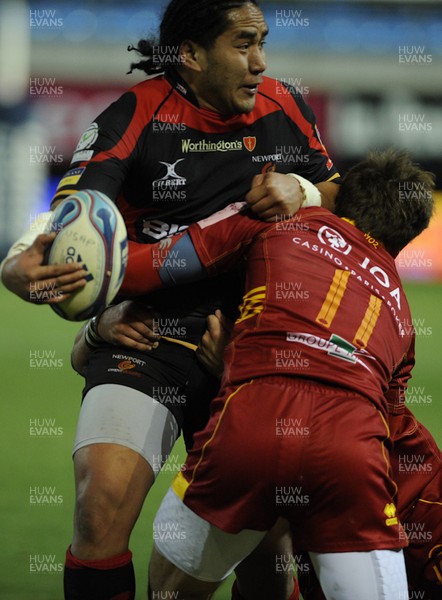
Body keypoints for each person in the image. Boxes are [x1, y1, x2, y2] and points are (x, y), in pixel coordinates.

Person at [0, 1, 341, 598]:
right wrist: (19, 261)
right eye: (242, 43)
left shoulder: (284, 105)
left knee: (272, 545)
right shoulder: (135, 113)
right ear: (190, 54)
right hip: (149, 335)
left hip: (253, 345)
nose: (260, 61)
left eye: (262, 42)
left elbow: (340, 193)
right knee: (99, 501)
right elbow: (76, 213)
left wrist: (304, 187)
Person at [102, 148, 436, 599]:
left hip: (252, 421)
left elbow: (147, 269)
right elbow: (390, 428)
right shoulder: (402, 312)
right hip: (352, 447)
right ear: (404, 239)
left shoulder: (274, 223)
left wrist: (93, 327)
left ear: (338, 198)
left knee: (170, 592)